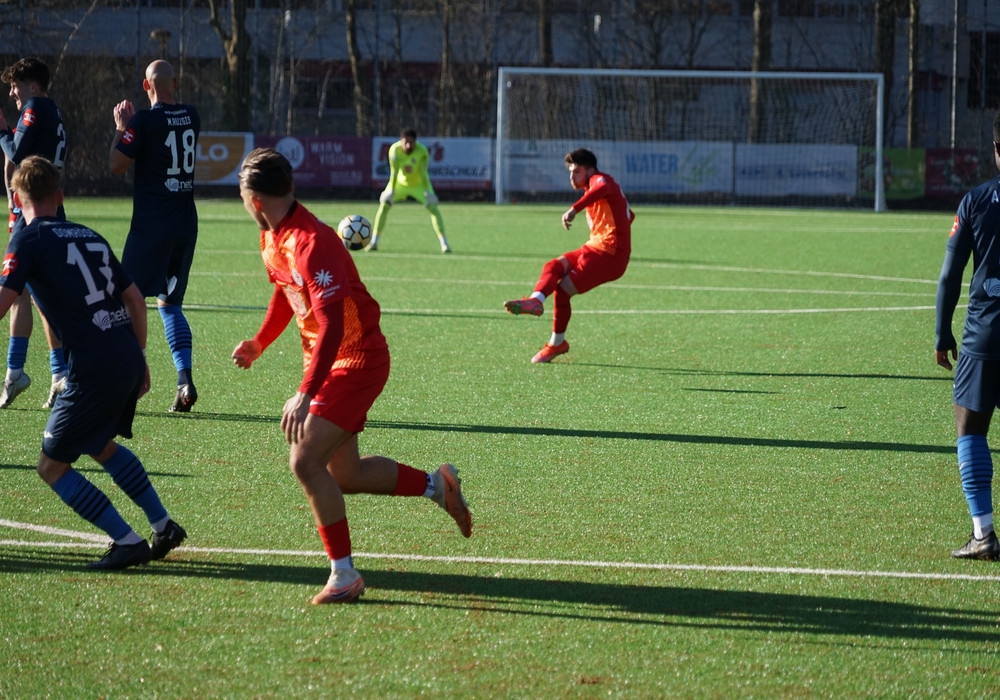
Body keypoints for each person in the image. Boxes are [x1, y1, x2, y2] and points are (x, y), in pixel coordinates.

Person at [231, 148, 472, 604]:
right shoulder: (271, 237)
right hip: (328, 361)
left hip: (356, 359)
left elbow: (333, 325)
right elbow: (286, 290)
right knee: (344, 474)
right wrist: (261, 342)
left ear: (254, 200)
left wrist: (306, 392)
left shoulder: (312, 242)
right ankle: (437, 485)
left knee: (304, 461)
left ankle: (344, 575)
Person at [0, 156, 187, 570]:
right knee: (99, 445)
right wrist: (139, 357)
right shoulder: (90, 235)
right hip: (125, 354)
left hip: (92, 365)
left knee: (51, 466)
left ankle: (127, 541)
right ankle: (163, 526)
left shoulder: (25, 240)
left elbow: (4, 303)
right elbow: (135, 299)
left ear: (15, 198)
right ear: (60, 195)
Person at [110, 60, 200, 412]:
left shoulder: (144, 121)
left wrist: (122, 128)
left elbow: (116, 165)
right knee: (170, 304)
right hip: (184, 225)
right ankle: (184, 379)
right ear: (175, 83)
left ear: (146, 86)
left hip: (151, 227)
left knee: (125, 299)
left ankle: (131, 378)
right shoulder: (192, 115)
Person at [934, 110, 1000, 562]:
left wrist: (942, 334)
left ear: (996, 149)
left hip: (986, 334)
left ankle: (983, 533)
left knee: (970, 426)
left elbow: (949, 275)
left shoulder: (975, 201)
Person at [504, 148, 634, 363]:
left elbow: (603, 187)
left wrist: (574, 209)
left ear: (590, 171)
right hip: (595, 247)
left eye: (576, 172)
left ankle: (556, 343)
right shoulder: (595, 189)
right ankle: (536, 302)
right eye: (570, 172)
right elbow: (629, 215)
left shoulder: (600, 179)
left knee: (563, 290)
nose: (572, 177)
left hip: (610, 254)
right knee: (553, 266)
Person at [0, 57, 69, 409]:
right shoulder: (51, 110)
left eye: (16, 85)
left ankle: (25, 373)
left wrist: (1, 130)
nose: (12, 92)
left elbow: (16, 152)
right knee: (35, 291)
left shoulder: (35, 108)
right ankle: (52, 374)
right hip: (44, 207)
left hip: (33, 211)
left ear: (33, 85)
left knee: (14, 290)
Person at [368, 127, 450, 253]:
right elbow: (394, 172)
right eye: (405, 142)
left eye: (411, 142)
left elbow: (423, 172)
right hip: (399, 184)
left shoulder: (422, 151)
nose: (408, 145)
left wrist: (427, 190)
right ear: (401, 141)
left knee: (433, 208)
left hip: (418, 185)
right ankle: (374, 242)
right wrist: (391, 189)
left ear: (415, 142)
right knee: (384, 206)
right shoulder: (394, 150)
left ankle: (444, 243)